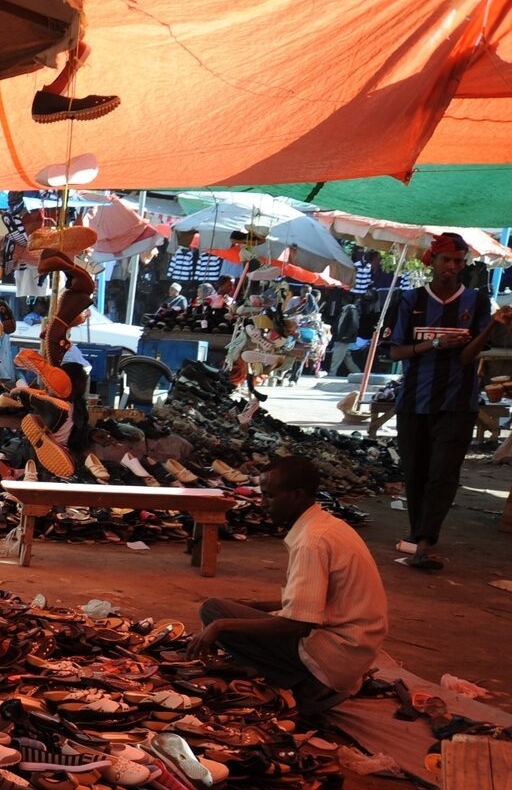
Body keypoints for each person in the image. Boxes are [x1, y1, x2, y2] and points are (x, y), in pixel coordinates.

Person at [191, 455, 386, 710]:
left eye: (270, 496)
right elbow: (316, 602)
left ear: (296, 495)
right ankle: (286, 673)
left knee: (214, 612)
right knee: (224, 608)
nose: (262, 503)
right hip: (352, 654)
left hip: (332, 661)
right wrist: (255, 605)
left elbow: (298, 625)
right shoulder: (327, 526)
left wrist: (221, 625)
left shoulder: (311, 542)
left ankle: (302, 685)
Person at [387, 232, 506, 570]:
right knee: (416, 471)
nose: (452, 267)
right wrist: (434, 344)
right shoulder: (410, 300)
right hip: (413, 400)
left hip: (457, 402)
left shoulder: (476, 302)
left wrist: (491, 327)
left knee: (443, 473)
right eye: (446, 260)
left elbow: (468, 358)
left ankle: (425, 541)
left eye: (458, 261)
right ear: (433, 261)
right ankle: (417, 535)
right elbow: (395, 352)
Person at [328, 292, 364, 376]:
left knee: (337, 356)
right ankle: (358, 374)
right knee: (347, 358)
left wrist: (347, 336)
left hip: (344, 338)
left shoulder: (352, 310)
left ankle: (332, 373)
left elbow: (354, 324)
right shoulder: (345, 309)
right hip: (342, 337)